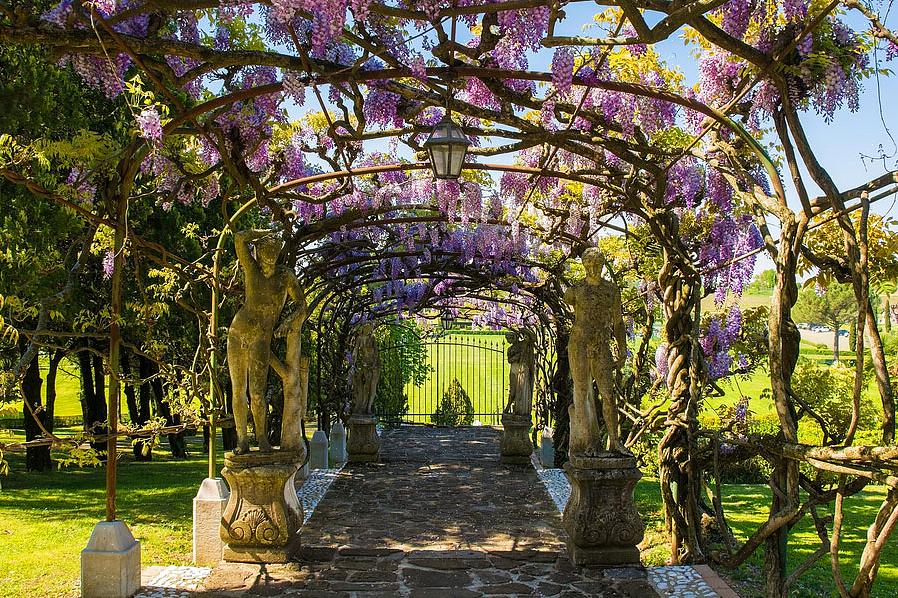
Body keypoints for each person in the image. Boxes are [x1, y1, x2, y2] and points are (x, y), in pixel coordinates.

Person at [227, 229, 304, 455]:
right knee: (238, 391)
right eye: (264, 249)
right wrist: (267, 231)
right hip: (238, 332)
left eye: (273, 249)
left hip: (262, 338)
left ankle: (261, 438)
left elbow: (301, 304)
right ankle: (242, 440)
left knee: (258, 394)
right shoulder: (251, 268)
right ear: (258, 251)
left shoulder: (285, 276)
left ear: (279, 251)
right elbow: (240, 238)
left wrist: (286, 323)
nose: (269, 254)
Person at [565, 247, 628, 455]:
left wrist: (622, 348)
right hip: (579, 344)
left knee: (608, 395)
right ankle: (589, 442)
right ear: (584, 266)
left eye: (596, 264)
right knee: (581, 392)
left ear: (602, 265)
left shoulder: (611, 290)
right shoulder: (576, 290)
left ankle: (615, 441)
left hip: (601, 344)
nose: (592, 268)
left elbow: (618, 322)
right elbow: (568, 301)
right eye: (588, 264)